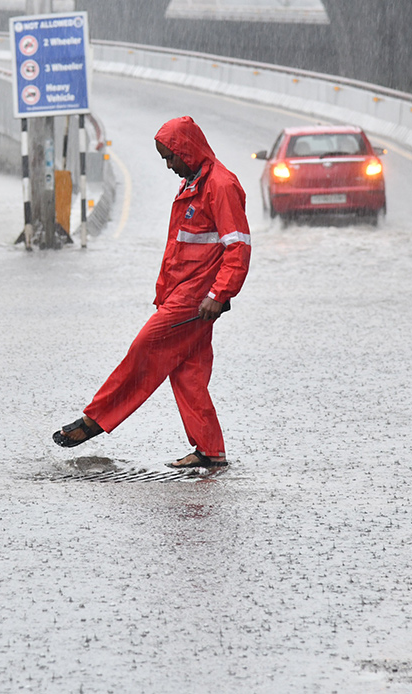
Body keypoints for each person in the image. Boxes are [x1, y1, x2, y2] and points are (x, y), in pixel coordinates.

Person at [52, 116, 251, 468]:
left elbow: (237, 246)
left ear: (187, 150)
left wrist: (219, 294)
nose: (169, 165)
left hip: (197, 298)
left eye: (171, 157)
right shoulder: (195, 182)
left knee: (144, 349)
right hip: (185, 295)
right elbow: (183, 248)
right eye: (164, 159)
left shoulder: (219, 185)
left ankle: (95, 419)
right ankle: (210, 451)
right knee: (188, 373)